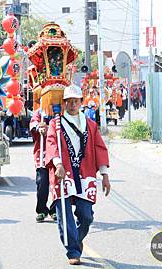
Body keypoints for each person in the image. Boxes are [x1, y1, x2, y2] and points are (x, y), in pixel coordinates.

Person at [45, 84, 111, 266]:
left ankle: (77, 238)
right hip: (62, 173)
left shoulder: (90, 125)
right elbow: (51, 144)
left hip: (85, 173)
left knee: (86, 215)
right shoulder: (55, 124)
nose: (73, 104)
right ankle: (73, 251)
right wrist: (57, 164)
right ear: (64, 104)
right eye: (69, 102)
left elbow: (99, 148)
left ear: (81, 102)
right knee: (65, 217)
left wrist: (104, 175)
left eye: (76, 101)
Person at [30, 109, 56, 222]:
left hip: (57, 153)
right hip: (43, 154)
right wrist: (38, 127)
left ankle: (55, 210)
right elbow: (34, 122)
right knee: (42, 183)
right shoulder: (40, 112)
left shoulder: (60, 111)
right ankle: (42, 210)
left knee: (57, 185)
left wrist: (50, 129)